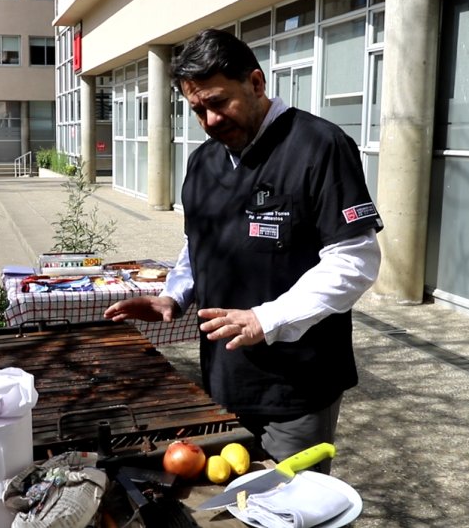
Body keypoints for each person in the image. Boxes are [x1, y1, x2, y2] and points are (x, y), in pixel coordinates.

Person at [104, 29, 383, 473]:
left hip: (296, 386)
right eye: (197, 110)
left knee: (289, 510)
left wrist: (264, 319)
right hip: (221, 375)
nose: (210, 120)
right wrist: (174, 295)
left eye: (218, 102)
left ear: (256, 84)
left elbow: (355, 260)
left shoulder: (319, 146)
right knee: (228, 502)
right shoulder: (203, 162)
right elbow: (199, 243)